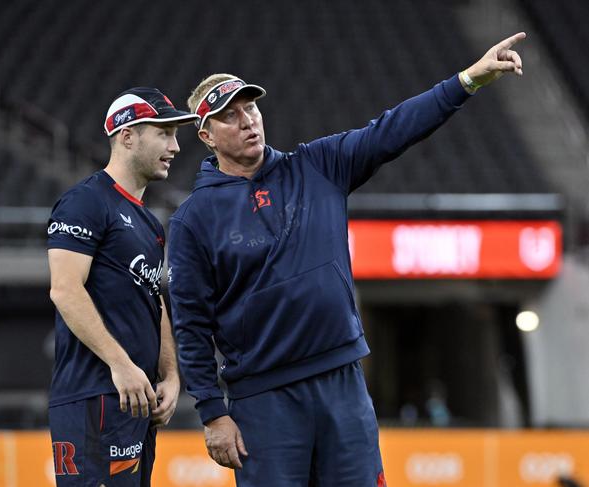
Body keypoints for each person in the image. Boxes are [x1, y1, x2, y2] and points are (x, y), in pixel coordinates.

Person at [167, 33, 526, 487]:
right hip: (263, 400)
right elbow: (190, 323)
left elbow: (392, 129)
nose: (247, 121)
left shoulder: (317, 165)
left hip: (342, 382)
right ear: (206, 136)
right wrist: (212, 412)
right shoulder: (193, 220)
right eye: (229, 116)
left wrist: (467, 81)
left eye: (251, 108)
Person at [46, 87, 198, 486]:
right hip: (93, 398)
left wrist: (170, 373)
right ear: (127, 136)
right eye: (164, 133)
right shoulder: (85, 201)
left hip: (135, 401)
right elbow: (64, 290)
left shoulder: (149, 222)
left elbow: (155, 301)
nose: (175, 146)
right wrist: (120, 363)